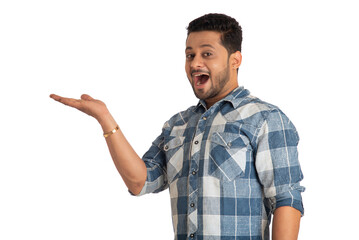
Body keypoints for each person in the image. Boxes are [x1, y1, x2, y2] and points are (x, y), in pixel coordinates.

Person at [50, 13, 304, 240]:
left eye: (207, 54)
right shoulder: (178, 125)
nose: (195, 63)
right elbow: (140, 181)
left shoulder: (265, 118)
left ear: (235, 59)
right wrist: (104, 117)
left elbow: (285, 199)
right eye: (189, 55)